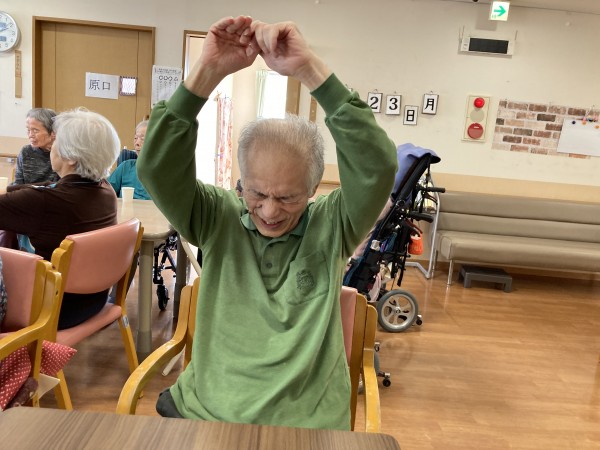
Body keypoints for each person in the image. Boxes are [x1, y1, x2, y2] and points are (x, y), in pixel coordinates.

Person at [137, 16, 397, 430]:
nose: (270, 212)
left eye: (288, 197)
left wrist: (310, 69)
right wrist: (207, 72)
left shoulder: (334, 224)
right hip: (208, 416)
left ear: (313, 189)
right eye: (256, 193)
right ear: (239, 182)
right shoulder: (216, 216)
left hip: (304, 425)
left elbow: (377, 166)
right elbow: (156, 166)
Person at [0, 108, 120, 329]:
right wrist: (11, 190)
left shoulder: (44, 203)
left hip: (50, 309)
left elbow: (42, 195)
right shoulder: (106, 190)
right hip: (92, 300)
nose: (51, 146)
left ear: (70, 157)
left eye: (56, 141)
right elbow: (47, 187)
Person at [14, 108, 60, 185]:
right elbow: (18, 184)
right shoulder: (26, 151)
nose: (30, 135)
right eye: (28, 130)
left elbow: (63, 187)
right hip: (26, 192)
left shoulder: (62, 154)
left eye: (35, 130)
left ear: (53, 132)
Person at [108, 120, 150, 200]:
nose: (137, 143)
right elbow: (105, 192)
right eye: (135, 138)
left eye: (142, 138)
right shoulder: (125, 167)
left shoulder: (164, 172)